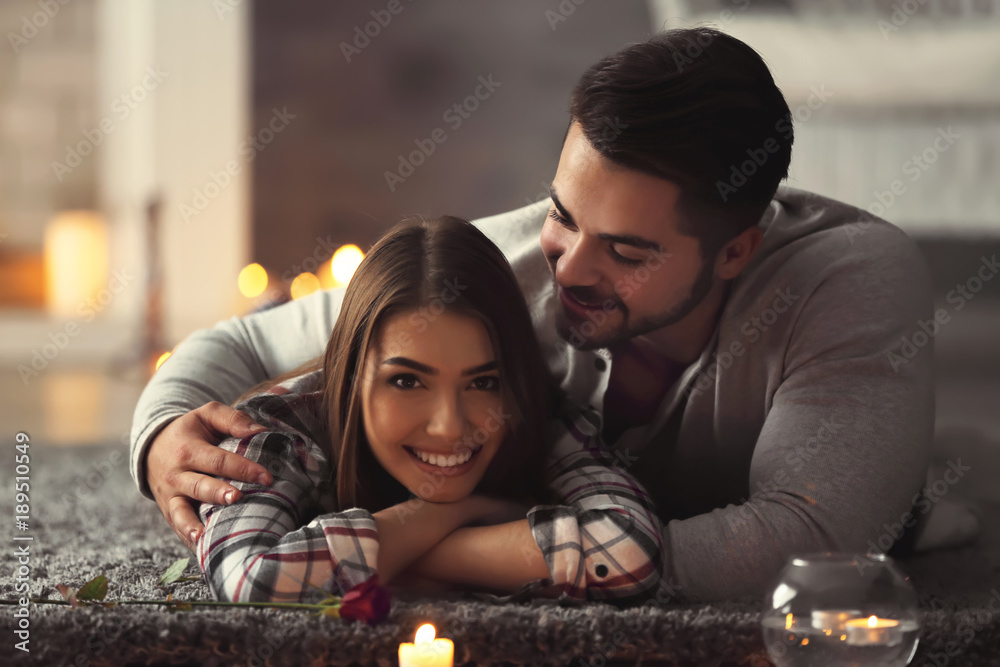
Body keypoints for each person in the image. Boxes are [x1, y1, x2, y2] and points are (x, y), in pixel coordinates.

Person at [132, 28, 934, 601]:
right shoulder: (506, 264)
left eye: (627, 251)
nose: (570, 268)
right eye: (564, 213)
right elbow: (243, 338)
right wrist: (165, 430)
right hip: (583, 509)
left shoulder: (852, 280)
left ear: (735, 252)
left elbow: (807, 551)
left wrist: (429, 547)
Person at [196, 215, 665, 602]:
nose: (449, 426)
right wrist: (455, 512)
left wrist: (407, 554)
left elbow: (632, 553)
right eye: (406, 381)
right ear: (351, 376)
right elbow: (249, 582)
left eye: (483, 382)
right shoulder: (280, 430)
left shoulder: (536, 415)